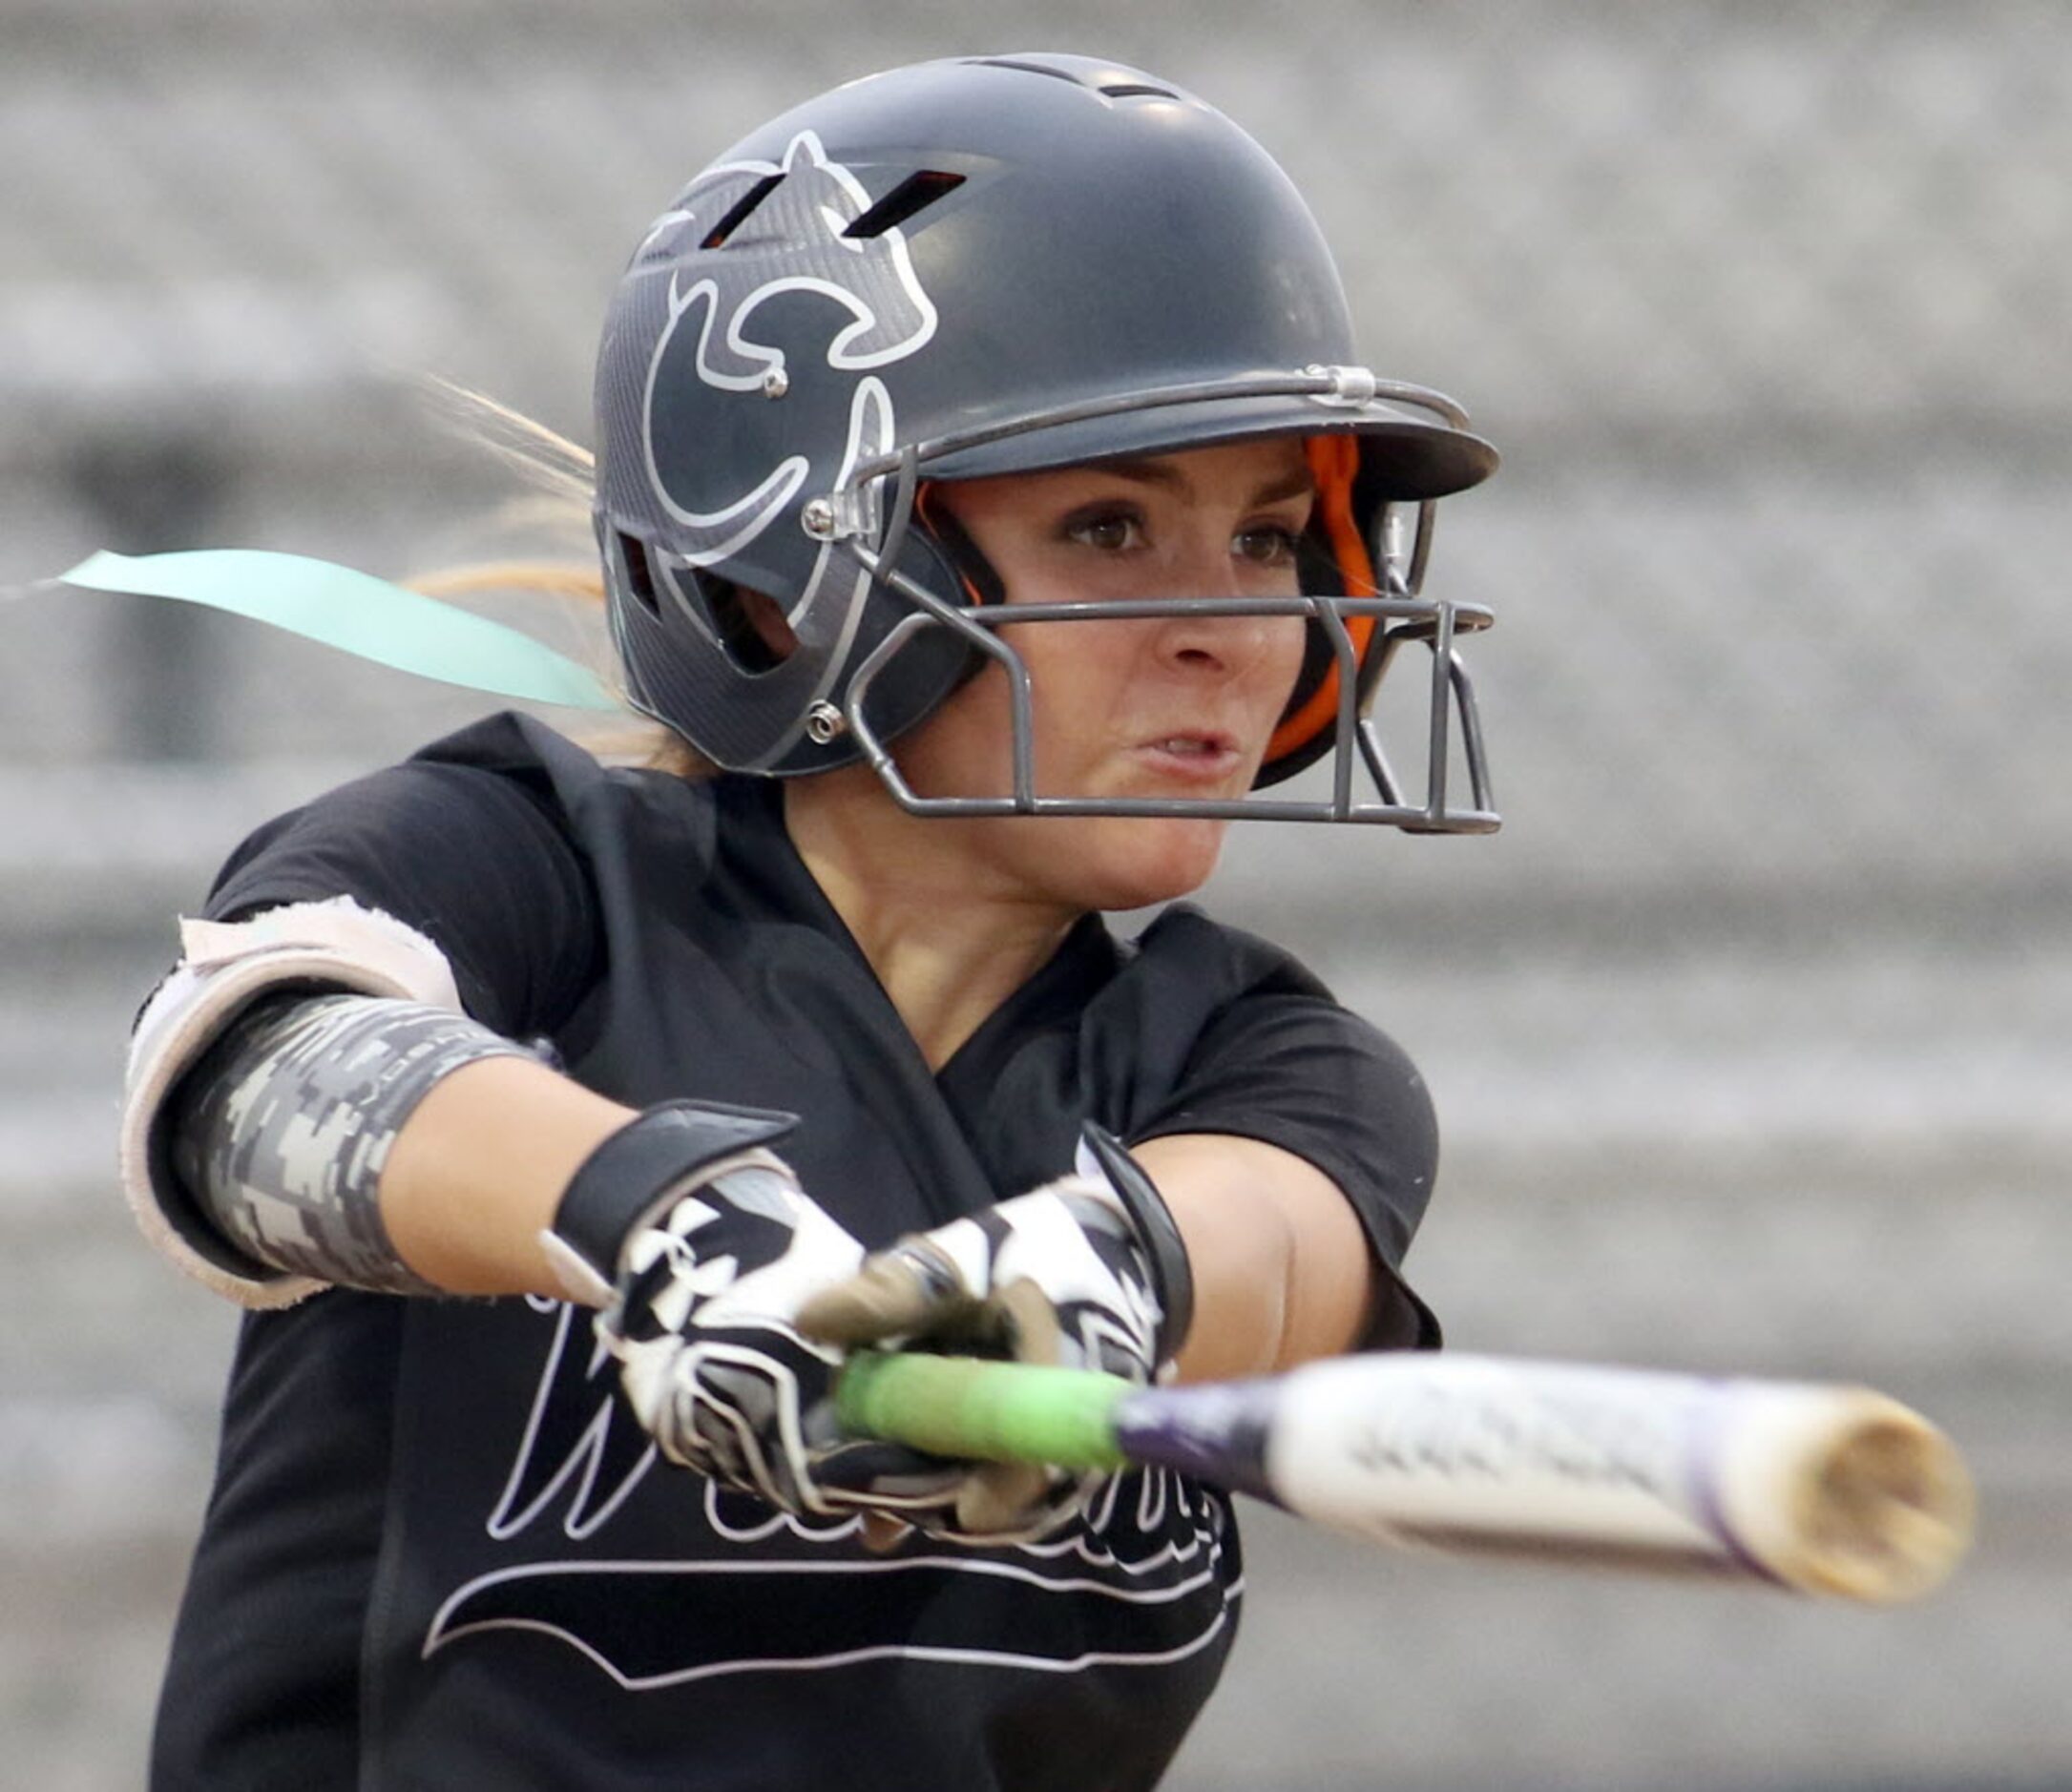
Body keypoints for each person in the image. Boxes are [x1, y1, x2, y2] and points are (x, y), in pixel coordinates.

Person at [121, 50, 1499, 1791]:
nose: (1234, 627)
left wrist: (1085, 1280)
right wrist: (657, 1224)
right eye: (1108, 525)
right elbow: (251, 1073)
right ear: (788, 576)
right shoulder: (524, 869)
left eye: (1272, 536)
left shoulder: (1247, 1055)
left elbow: (1280, 1243)